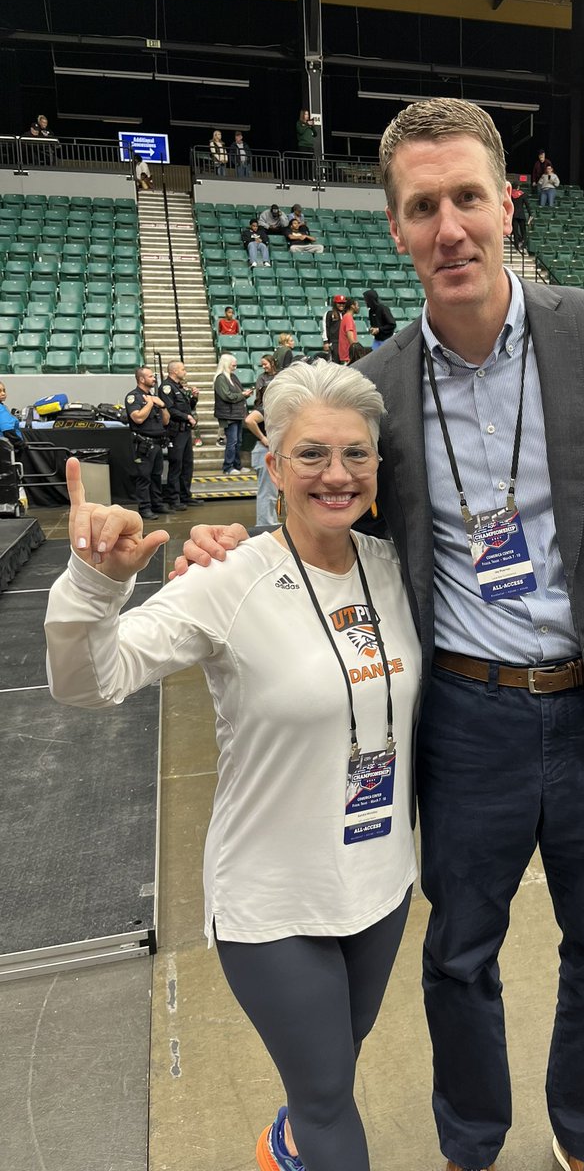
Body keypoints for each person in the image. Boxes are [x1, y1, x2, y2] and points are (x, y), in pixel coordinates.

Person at [172, 96, 584, 1171]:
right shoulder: (372, 390)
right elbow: (317, 521)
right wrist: (223, 549)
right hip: (462, 717)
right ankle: (472, 1142)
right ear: (397, 227)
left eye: (467, 196)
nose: (449, 225)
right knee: (459, 954)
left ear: (506, 203)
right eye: (424, 207)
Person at [45, 361, 420, 1171]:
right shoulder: (227, 579)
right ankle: (299, 1141)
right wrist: (92, 585)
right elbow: (89, 685)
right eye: (311, 454)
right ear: (273, 464)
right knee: (327, 1097)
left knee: (334, 1058)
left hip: (380, 880)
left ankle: (286, 1138)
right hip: (273, 899)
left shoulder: (395, 572)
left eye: (355, 455)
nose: (336, 474)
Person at [126, 366, 169, 521]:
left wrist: (162, 405)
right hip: (143, 444)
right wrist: (150, 404)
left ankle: (157, 503)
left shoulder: (153, 397)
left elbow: (166, 421)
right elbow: (137, 418)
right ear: (142, 379)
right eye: (151, 376)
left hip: (157, 443)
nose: (154, 379)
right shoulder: (134, 397)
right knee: (144, 477)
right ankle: (144, 507)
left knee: (156, 476)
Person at [243, 352, 280, 526]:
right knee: (267, 493)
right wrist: (264, 438)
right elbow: (249, 420)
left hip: (266, 452)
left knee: (270, 493)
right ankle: (266, 527)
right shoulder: (266, 406)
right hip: (264, 451)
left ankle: (269, 524)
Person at [160, 360, 199, 511]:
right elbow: (169, 409)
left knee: (187, 464)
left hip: (185, 431)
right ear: (174, 371)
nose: (185, 372)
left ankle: (185, 495)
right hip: (175, 431)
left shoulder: (179, 387)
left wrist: (194, 397)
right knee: (176, 464)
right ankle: (174, 498)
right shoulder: (166, 388)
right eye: (183, 369)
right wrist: (187, 417)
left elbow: (188, 407)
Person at [213, 353, 252, 475]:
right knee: (232, 442)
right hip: (228, 415)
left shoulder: (232, 377)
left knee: (238, 441)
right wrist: (242, 395)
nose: (235, 366)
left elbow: (236, 393)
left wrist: (244, 394)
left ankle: (237, 465)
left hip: (237, 413)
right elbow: (227, 396)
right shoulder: (221, 378)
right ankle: (228, 467)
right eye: (233, 364)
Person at [323, 295, 347, 360]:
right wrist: (326, 342)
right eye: (339, 303)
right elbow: (325, 327)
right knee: (335, 361)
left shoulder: (346, 314)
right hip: (334, 342)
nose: (341, 305)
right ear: (335, 304)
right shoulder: (329, 314)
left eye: (343, 303)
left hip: (345, 342)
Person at [509, 184, 532, 251]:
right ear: (518, 187)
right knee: (523, 231)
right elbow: (527, 205)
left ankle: (516, 247)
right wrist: (530, 214)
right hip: (521, 215)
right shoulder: (522, 194)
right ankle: (523, 245)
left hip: (514, 215)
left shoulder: (510, 195)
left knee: (515, 232)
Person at [338, 299, 359, 365]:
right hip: (348, 356)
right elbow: (351, 338)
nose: (358, 307)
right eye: (357, 305)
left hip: (347, 356)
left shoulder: (346, 317)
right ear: (352, 306)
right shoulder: (348, 318)